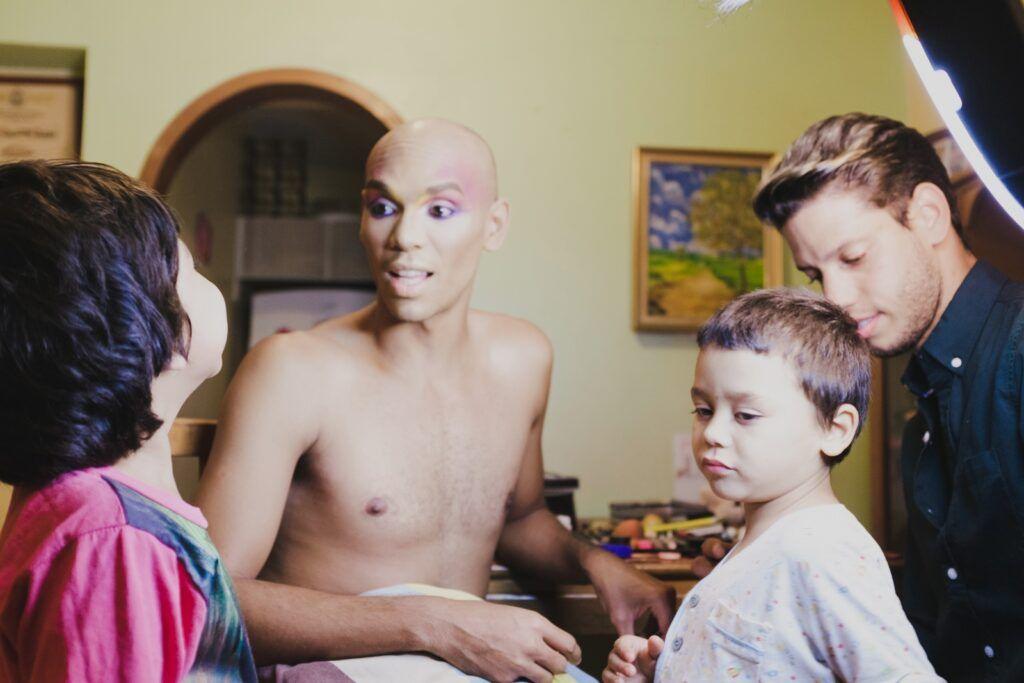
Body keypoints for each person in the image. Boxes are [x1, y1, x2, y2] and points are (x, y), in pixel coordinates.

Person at [196, 118, 674, 682]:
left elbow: (519, 518)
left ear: (494, 226)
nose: (404, 238)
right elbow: (205, 601)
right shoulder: (292, 370)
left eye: (440, 211)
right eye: (382, 207)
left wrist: (600, 564)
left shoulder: (523, 358)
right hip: (334, 672)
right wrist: (437, 623)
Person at [751, 113, 1024, 681]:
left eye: (852, 258)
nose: (836, 299)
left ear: (927, 214)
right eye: (815, 275)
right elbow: (944, 625)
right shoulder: (919, 416)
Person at [0, 160, 256, 681]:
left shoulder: (88, 505)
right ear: (169, 334)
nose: (208, 283)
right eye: (193, 270)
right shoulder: (114, 539)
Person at [603, 288, 940, 682]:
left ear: (835, 429)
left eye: (745, 415)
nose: (713, 432)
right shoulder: (758, 545)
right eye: (704, 410)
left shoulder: (823, 555)